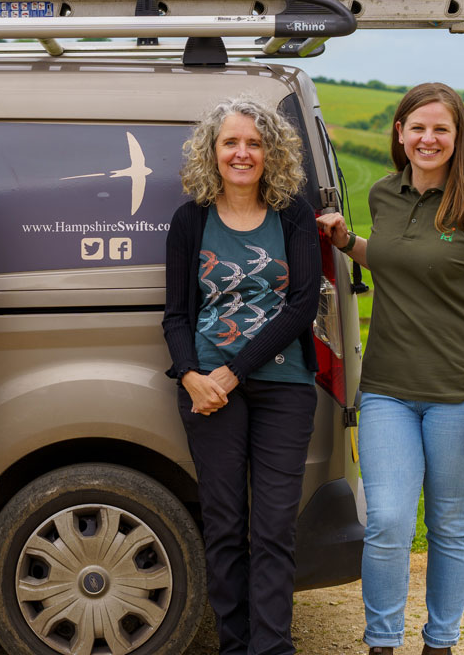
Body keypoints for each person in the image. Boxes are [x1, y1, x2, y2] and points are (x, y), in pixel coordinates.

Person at [317, 82, 464, 655]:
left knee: (450, 524)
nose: (428, 138)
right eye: (417, 127)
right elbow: (392, 258)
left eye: (441, 129)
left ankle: (440, 643)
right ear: (399, 133)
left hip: (461, 396)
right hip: (387, 391)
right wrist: (348, 240)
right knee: (387, 522)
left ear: (459, 138)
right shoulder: (385, 194)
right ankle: (382, 642)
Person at [162, 96, 321, 655]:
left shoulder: (293, 214)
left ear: (271, 152)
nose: (242, 152)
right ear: (213, 150)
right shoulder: (191, 220)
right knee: (225, 526)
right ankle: (236, 645)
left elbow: (302, 306)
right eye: (231, 142)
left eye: (254, 143)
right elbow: (176, 315)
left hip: (285, 388)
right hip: (206, 391)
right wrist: (190, 375)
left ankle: (272, 648)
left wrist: (231, 372)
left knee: (273, 529)